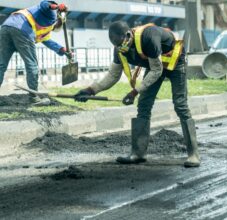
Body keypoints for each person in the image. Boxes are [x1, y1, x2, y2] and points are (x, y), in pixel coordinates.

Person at [74, 21, 200, 168]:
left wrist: (135, 92)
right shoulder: (119, 49)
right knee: (144, 105)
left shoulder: (148, 37)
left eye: (121, 43)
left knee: (180, 104)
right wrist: (90, 91)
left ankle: (193, 154)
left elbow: (157, 71)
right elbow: (113, 76)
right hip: (155, 66)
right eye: (116, 45)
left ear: (128, 35)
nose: (121, 48)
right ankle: (138, 154)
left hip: (175, 62)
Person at [0, 0, 71, 105]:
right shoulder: (52, 15)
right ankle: (33, 98)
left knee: (1, 64)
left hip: (6, 27)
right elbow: (44, 5)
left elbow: (47, 41)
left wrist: (62, 49)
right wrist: (55, 6)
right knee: (31, 64)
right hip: (22, 28)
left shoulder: (45, 28)